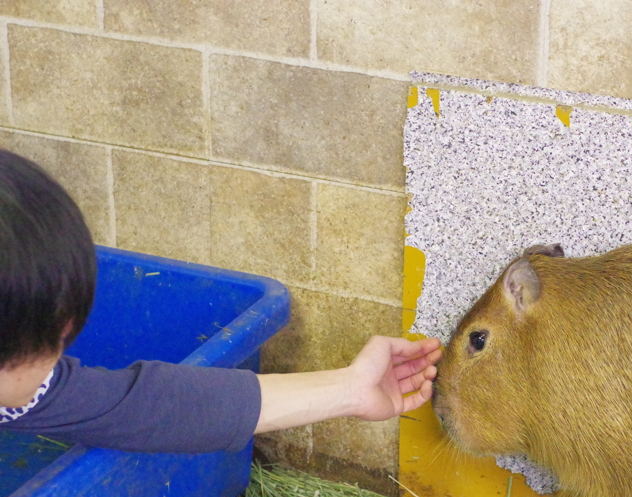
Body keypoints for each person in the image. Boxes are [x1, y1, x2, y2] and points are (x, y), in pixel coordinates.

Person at [0, 149, 440, 455]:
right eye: (51, 334)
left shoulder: (19, 390)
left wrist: (351, 388)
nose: (64, 341)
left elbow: (140, 407)